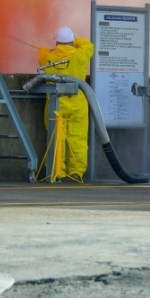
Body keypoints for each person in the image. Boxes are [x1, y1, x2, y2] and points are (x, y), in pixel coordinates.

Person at [37, 26, 94, 182]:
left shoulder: (48, 57)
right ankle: (77, 172)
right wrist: (75, 42)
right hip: (77, 103)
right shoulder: (81, 55)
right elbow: (88, 45)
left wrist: (47, 49)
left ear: (56, 43)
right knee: (78, 139)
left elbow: (41, 53)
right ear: (72, 42)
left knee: (57, 139)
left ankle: (58, 172)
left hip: (56, 105)